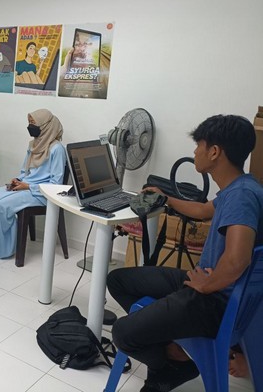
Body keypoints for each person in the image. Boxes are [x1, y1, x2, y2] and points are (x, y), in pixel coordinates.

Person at [107, 114, 263, 392]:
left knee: (122, 333)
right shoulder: (241, 187)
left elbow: (238, 259)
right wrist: (165, 198)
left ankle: (172, 364)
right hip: (206, 283)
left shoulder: (241, 197)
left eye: (199, 145)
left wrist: (207, 285)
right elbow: (203, 210)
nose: (195, 152)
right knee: (118, 280)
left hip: (213, 299)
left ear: (214, 152)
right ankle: (172, 347)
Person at [0, 109, 66, 262]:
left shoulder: (57, 149)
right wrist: (18, 180)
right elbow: (25, 171)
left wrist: (28, 187)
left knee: (1, 206)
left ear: (45, 125)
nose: (30, 127)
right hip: (26, 186)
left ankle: (2, 250)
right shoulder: (34, 145)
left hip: (42, 194)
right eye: (29, 123)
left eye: (33, 123)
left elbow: (55, 185)